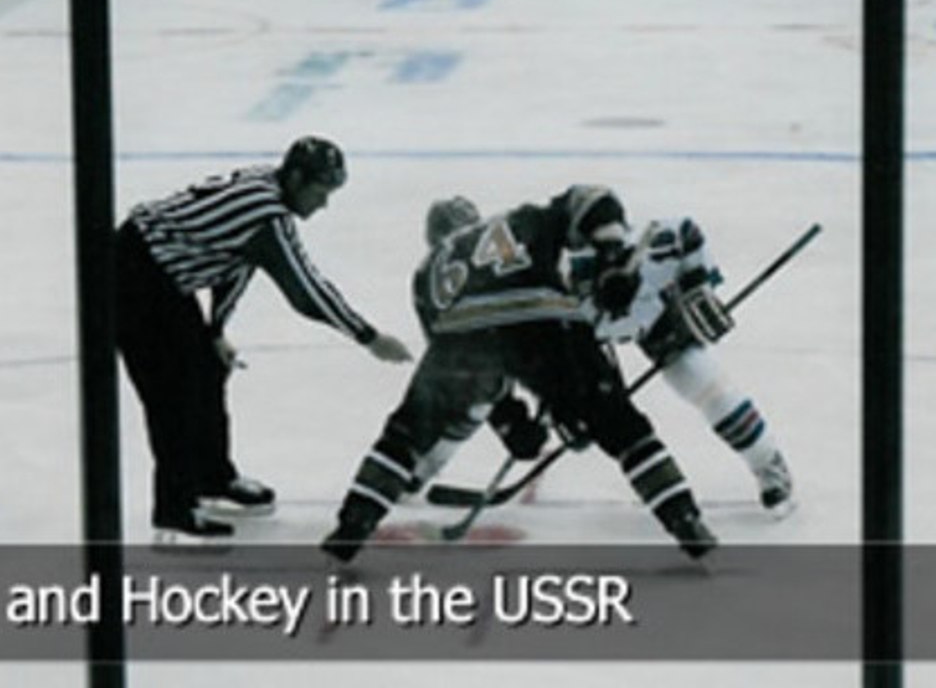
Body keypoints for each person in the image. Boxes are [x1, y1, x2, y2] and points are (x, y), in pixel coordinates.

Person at [321, 185, 717, 563]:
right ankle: (685, 520)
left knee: (404, 437)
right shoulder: (519, 221)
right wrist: (612, 262)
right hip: (543, 320)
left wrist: (511, 423)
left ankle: (352, 525)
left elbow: (467, 373)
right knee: (621, 427)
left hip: (462, 335)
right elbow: (593, 199)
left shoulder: (426, 272)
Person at [115, 136, 413, 542]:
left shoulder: (266, 188)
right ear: (296, 178)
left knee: (206, 370)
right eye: (320, 192)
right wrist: (368, 336)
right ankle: (174, 510)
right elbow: (306, 292)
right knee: (173, 396)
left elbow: (235, 264)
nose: (323, 204)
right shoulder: (266, 217)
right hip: (134, 276)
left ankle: (212, 476)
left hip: (158, 274)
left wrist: (215, 331)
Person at [570, 216, 795, 514]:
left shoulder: (653, 245)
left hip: (654, 320)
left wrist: (696, 291)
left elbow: (687, 234)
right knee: (579, 400)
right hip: (582, 336)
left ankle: (767, 463)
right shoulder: (561, 269)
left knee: (709, 388)